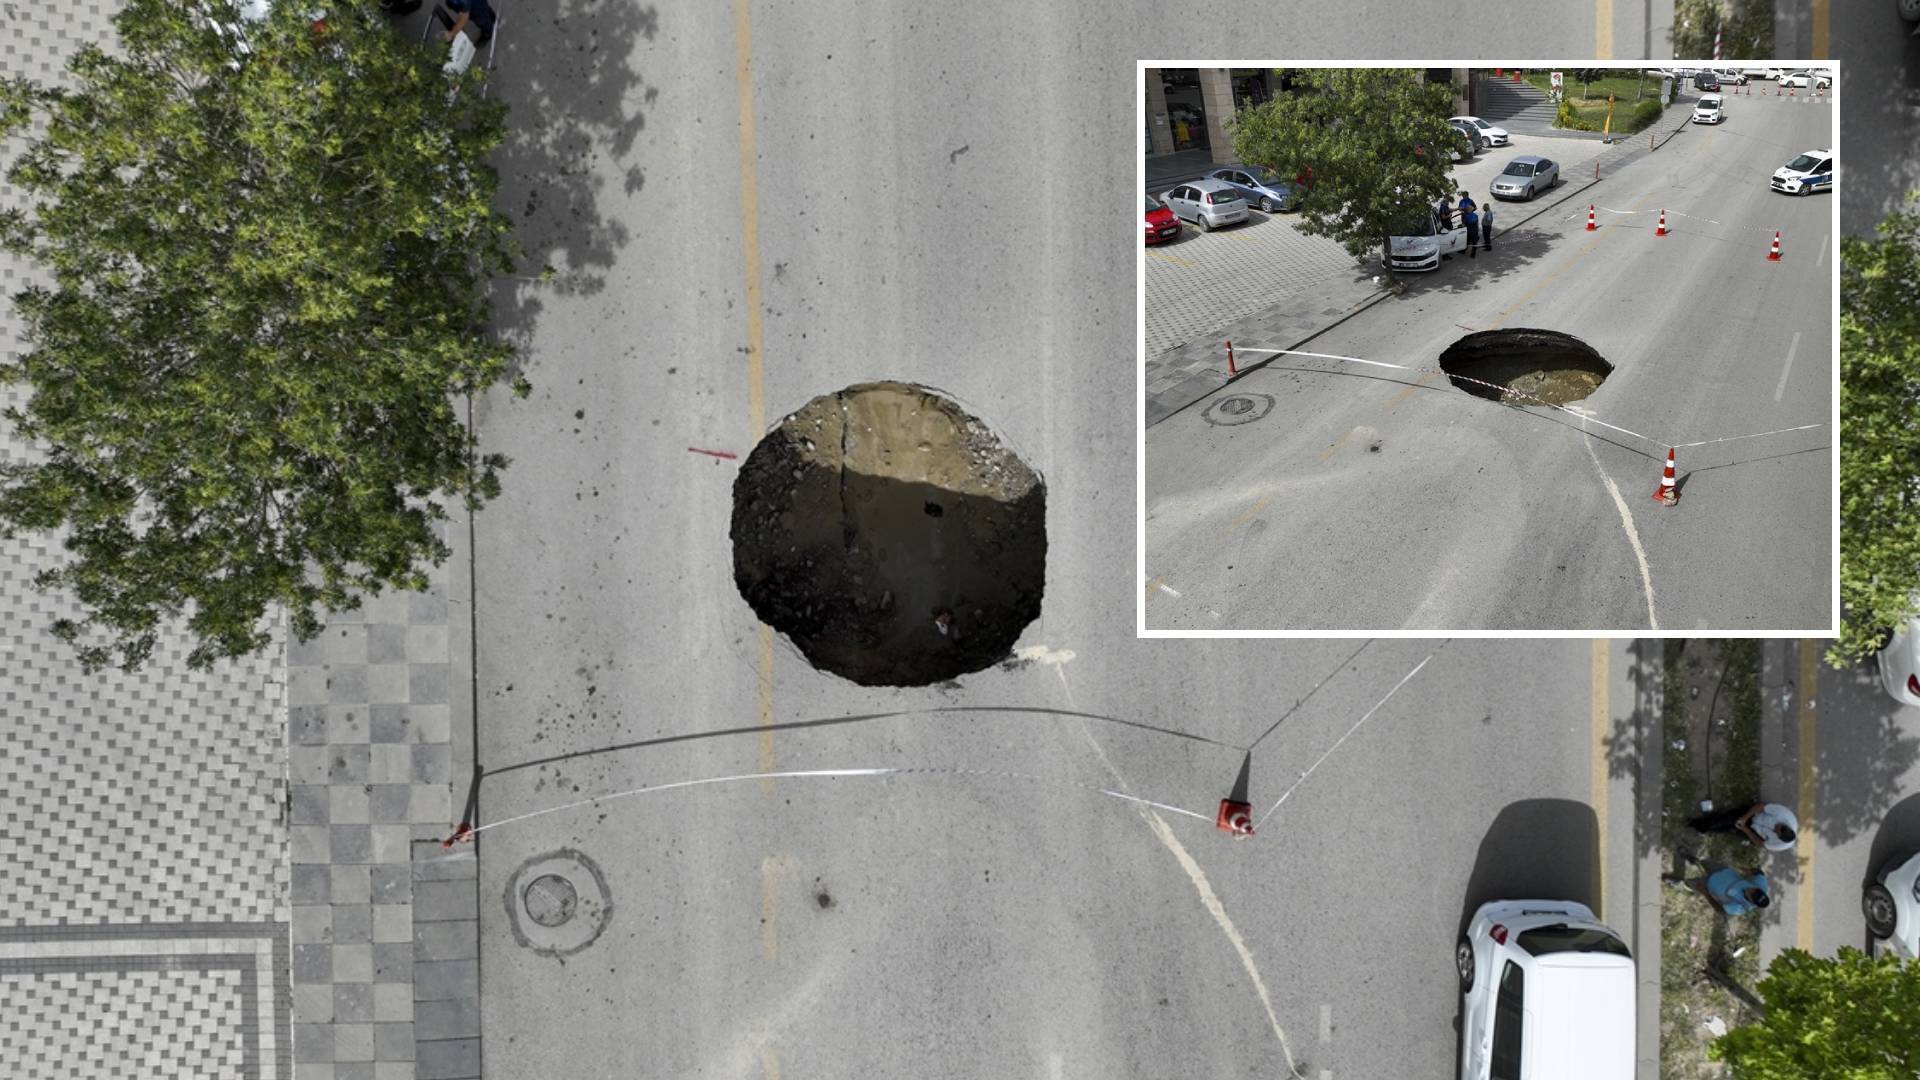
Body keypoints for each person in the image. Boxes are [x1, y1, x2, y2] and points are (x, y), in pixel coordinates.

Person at [1689, 801, 1798, 852]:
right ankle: (1698, 824)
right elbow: (1760, 806)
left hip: (1754, 831)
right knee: (1727, 819)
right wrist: (1744, 818)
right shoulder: (1785, 815)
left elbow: (1760, 844)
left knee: (1729, 828)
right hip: (1752, 815)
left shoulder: (1779, 845)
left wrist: (1745, 829)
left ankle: (1705, 828)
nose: (1774, 829)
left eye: (1775, 832)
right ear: (1785, 824)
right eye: (1777, 827)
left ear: (1779, 838)